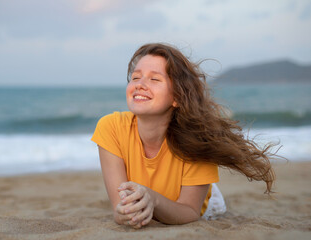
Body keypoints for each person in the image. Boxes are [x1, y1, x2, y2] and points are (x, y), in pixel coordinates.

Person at [91, 43, 277, 229]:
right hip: (149, 197)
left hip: (200, 205)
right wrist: (125, 213)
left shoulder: (199, 139)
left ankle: (211, 190)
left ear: (176, 97)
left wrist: (153, 199)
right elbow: (120, 208)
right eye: (135, 77)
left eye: (154, 79)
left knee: (209, 200)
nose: (140, 84)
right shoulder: (111, 128)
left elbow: (190, 211)